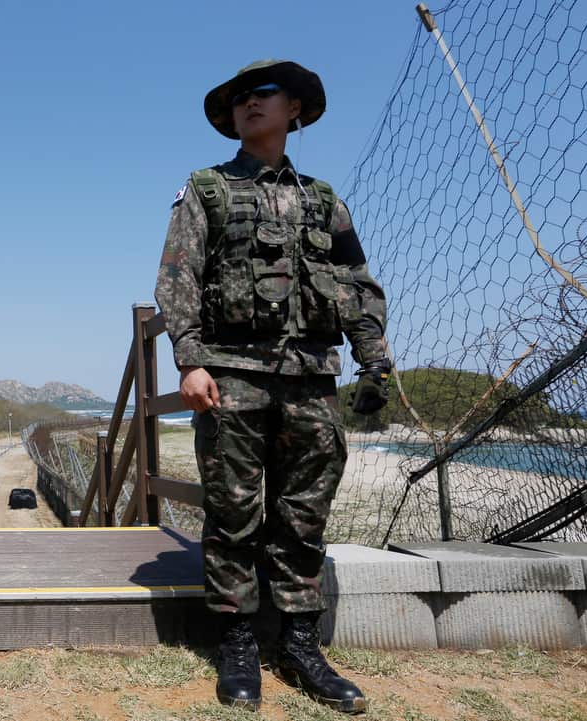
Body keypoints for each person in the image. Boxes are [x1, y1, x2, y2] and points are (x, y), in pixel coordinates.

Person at [155, 59, 390, 714]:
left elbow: (358, 286)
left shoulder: (324, 200)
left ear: (293, 109)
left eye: (262, 94)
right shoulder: (206, 189)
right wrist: (189, 359)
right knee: (233, 512)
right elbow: (178, 277)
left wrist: (375, 364)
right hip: (233, 373)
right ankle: (235, 640)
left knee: (304, 514)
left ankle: (299, 641)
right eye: (238, 99)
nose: (248, 103)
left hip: (312, 378)